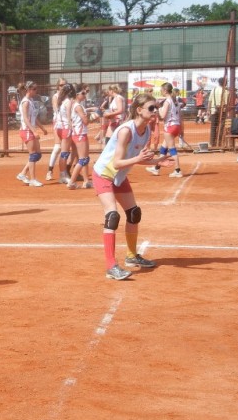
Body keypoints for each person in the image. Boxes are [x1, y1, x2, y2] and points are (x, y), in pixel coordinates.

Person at [92, 93, 159, 281]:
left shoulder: (146, 130)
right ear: (139, 110)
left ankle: (131, 256)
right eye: (151, 108)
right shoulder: (126, 131)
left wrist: (158, 161)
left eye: (156, 108)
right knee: (112, 216)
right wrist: (138, 159)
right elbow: (117, 162)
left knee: (134, 213)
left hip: (119, 176)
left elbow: (137, 158)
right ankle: (111, 266)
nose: (155, 111)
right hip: (104, 174)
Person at [146, 82, 184, 178]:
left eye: (161, 90)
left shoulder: (167, 101)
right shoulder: (174, 100)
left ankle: (178, 170)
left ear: (165, 91)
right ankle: (156, 168)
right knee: (163, 149)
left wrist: (157, 110)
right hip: (175, 125)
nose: (161, 92)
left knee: (172, 149)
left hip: (170, 126)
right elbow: (179, 115)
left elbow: (162, 116)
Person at [14, 81, 49, 187]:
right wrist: (34, 131)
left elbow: (34, 117)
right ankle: (33, 179)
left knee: (38, 154)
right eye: (34, 89)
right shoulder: (25, 102)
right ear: (28, 90)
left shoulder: (31, 101)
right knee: (33, 155)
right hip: (26, 130)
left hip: (31, 130)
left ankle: (22, 174)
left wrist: (42, 128)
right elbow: (25, 118)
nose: (36, 91)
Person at [66, 86, 93, 189]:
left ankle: (86, 181)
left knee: (85, 158)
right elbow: (85, 121)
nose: (85, 95)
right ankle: (71, 182)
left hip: (79, 133)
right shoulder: (78, 106)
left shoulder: (77, 105)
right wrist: (94, 116)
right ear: (77, 94)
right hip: (80, 134)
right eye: (83, 93)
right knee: (83, 160)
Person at [46, 78, 67, 181]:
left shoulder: (67, 96)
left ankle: (65, 172)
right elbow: (56, 109)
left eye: (64, 85)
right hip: (58, 123)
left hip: (66, 123)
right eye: (61, 85)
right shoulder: (56, 96)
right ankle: (50, 170)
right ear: (57, 86)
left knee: (68, 148)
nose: (63, 87)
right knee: (58, 147)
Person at [208, 77, 228, 144]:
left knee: (213, 127)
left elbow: (210, 101)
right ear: (225, 83)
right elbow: (226, 103)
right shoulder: (226, 91)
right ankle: (219, 142)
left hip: (213, 110)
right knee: (221, 127)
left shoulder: (213, 90)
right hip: (223, 111)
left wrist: (208, 110)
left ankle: (212, 142)